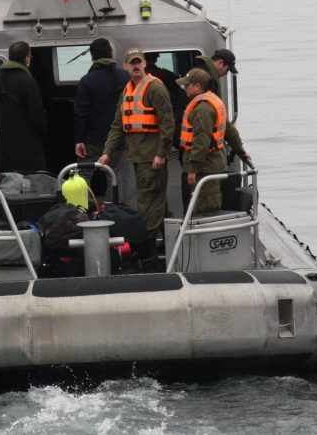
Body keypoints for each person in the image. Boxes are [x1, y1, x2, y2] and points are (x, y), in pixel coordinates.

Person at [98, 47, 175, 270]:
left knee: (147, 204)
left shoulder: (155, 88)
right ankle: (174, 244)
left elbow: (167, 124)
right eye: (131, 62)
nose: (135, 66)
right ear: (125, 66)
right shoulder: (127, 91)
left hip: (152, 158)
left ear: (144, 64)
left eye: (138, 62)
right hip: (137, 156)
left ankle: (149, 258)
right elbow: (117, 126)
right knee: (159, 203)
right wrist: (107, 152)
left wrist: (161, 154)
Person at [176, 68, 250, 214]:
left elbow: (201, 143)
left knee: (205, 206)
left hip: (204, 169)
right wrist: (241, 152)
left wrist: (193, 170)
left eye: (187, 85)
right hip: (211, 164)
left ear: (197, 86)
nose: (185, 88)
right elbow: (230, 131)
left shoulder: (202, 110)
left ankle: (205, 234)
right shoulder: (214, 101)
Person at [73, 38, 129, 197]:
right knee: (115, 178)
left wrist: (79, 139)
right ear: (111, 54)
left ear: (92, 57)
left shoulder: (87, 80)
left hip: (92, 139)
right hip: (119, 139)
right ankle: (116, 213)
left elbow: (80, 112)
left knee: (83, 177)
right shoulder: (125, 77)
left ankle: (81, 213)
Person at [0, 41, 48, 173]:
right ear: (26, 58)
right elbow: (36, 114)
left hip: (4, 145)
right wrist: (44, 133)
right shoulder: (28, 81)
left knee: (7, 184)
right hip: (27, 145)